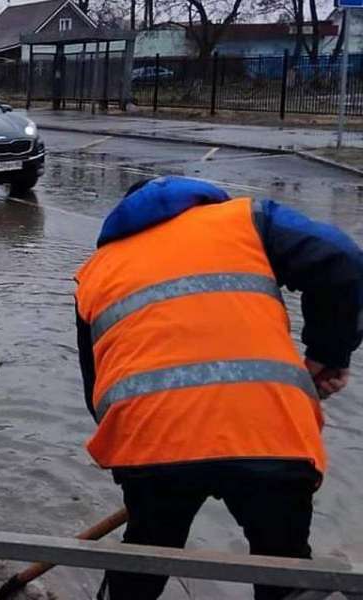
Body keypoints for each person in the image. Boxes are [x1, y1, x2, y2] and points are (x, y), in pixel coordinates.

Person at [74, 176, 363, 600]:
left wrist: (153, 462)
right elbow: (344, 261)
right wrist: (328, 354)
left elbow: (97, 391)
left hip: (151, 441)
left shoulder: (96, 271)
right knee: (284, 570)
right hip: (269, 435)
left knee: (142, 561)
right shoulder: (245, 220)